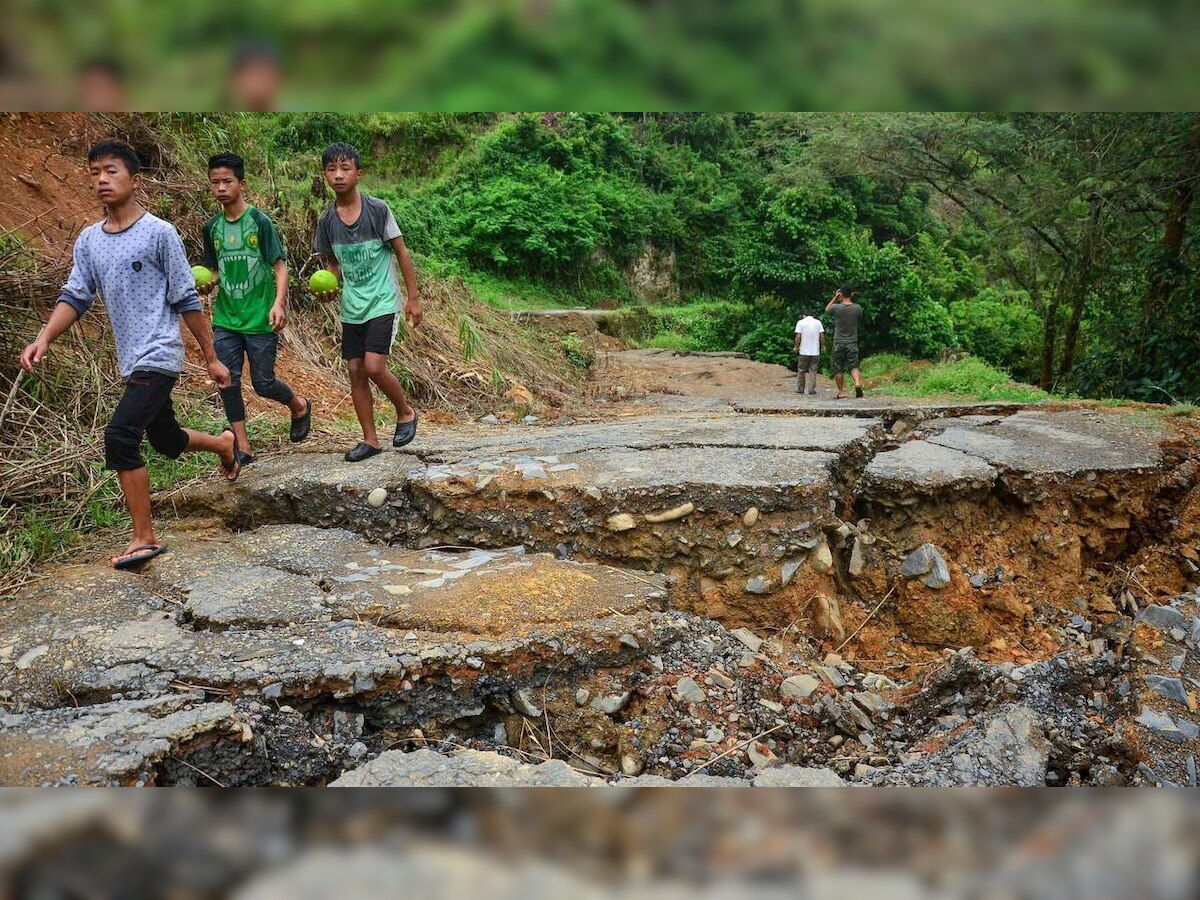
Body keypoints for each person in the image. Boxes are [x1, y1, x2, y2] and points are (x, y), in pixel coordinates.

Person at [19, 139, 238, 570]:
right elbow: (76, 295)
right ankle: (224, 445)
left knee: (120, 436)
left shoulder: (159, 233)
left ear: (135, 180)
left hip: (159, 352)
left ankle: (144, 537)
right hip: (130, 358)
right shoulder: (89, 241)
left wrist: (211, 357)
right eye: (95, 172)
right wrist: (44, 337)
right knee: (166, 439)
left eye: (112, 171)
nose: (102, 179)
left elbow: (185, 298)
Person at [311, 142, 423, 462]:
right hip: (352, 306)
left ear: (358, 174)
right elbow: (332, 266)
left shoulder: (378, 210)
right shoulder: (327, 220)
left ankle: (404, 412)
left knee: (374, 366)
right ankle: (370, 440)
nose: (338, 175)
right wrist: (329, 287)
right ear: (325, 176)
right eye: (331, 169)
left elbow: (402, 252)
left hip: (383, 301)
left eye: (345, 169)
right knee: (355, 369)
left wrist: (413, 298)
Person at [200, 151, 311, 466]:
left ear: (242, 184)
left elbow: (280, 266)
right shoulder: (212, 228)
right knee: (228, 380)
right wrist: (208, 282)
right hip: (226, 318)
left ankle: (299, 405)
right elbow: (215, 269)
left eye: (227, 181)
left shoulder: (259, 222)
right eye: (215, 182)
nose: (221, 187)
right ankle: (243, 445)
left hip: (260, 318)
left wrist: (278, 303)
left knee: (263, 383)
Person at [824, 285, 864, 399]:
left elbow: (827, 310)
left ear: (840, 294)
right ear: (852, 294)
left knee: (838, 368)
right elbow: (859, 320)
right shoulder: (857, 308)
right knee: (854, 365)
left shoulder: (836, 308)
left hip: (838, 342)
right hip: (852, 342)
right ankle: (857, 382)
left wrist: (835, 297)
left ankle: (841, 392)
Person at [793, 310, 825, 394]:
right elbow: (821, 336)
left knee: (801, 370)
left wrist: (796, 346)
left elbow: (798, 336)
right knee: (813, 371)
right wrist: (822, 347)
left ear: (804, 315)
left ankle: (800, 388)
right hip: (815, 351)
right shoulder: (818, 323)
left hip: (804, 351)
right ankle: (811, 389)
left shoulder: (800, 322)